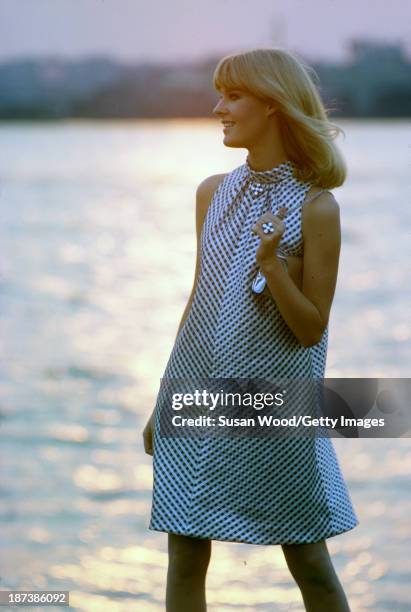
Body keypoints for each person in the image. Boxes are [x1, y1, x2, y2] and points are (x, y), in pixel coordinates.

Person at [143, 47, 359, 612]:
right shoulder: (211, 193)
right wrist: (163, 401)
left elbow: (311, 330)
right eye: (221, 94)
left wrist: (271, 268)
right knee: (185, 550)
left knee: (309, 561)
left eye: (233, 95)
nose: (219, 107)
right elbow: (198, 303)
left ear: (272, 106)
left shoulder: (317, 208)